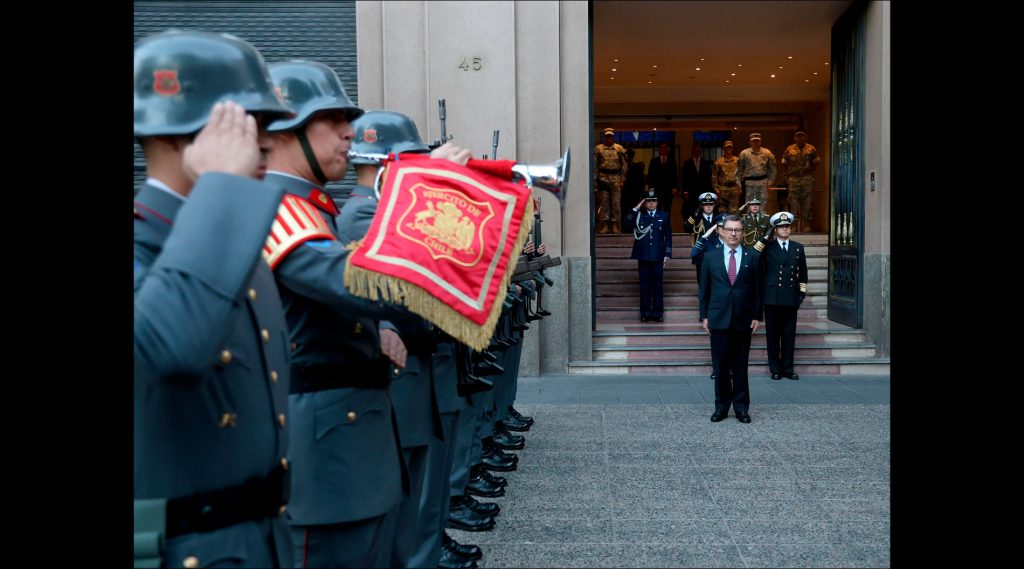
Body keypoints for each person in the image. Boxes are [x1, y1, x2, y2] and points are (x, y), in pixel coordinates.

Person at [263, 60, 471, 568]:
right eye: (331, 120)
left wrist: (377, 324)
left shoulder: (311, 207)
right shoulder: (279, 208)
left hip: (351, 446)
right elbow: (369, 284)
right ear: (283, 130)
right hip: (326, 460)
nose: (348, 134)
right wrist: (429, 192)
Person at [134, 30, 296, 568]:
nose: (264, 143)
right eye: (243, 123)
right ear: (172, 134)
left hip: (261, 542)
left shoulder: (233, 235)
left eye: (266, 125)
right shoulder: (175, 233)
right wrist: (222, 187)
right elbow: (174, 346)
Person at [343, 109, 480, 569]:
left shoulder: (385, 211)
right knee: (411, 492)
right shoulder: (364, 214)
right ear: (389, 162)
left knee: (427, 483)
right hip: (404, 366)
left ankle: (429, 552)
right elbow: (411, 284)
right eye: (411, 160)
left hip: (423, 360)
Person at [699, 215, 763, 424]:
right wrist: (704, 315)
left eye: (737, 230)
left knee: (740, 366)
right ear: (721, 231)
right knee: (720, 367)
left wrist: (757, 316)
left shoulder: (753, 257)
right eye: (729, 229)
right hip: (718, 318)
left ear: (743, 233)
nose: (733, 233)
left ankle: (741, 408)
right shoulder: (710, 257)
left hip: (743, 319)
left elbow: (758, 289)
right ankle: (721, 407)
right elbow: (704, 289)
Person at [755, 212, 808, 381]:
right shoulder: (768, 247)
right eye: (781, 227)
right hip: (772, 297)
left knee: (789, 335)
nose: (785, 229)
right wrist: (766, 237)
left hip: (790, 298)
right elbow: (753, 254)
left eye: (787, 226)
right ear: (775, 229)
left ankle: (788, 369)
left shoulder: (798, 248)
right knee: (772, 335)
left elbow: (803, 275)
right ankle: (775, 369)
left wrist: (801, 295)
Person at [624, 190, 672, 322]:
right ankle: (645, 313)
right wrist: (636, 208)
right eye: (649, 201)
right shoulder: (639, 215)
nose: (651, 203)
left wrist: (667, 254)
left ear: (657, 202)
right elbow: (626, 224)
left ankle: (658, 313)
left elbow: (668, 236)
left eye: (654, 200)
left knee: (657, 286)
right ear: (644, 202)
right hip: (643, 255)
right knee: (644, 286)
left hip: (658, 256)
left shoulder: (664, 215)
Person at [781, 131, 820, 233]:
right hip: (794, 179)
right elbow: (784, 163)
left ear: (805, 137)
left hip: (807, 179)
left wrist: (810, 171)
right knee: (793, 202)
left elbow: (816, 162)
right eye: (798, 136)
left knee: (808, 202)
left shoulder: (811, 149)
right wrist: (787, 175)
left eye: (802, 136)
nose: (800, 138)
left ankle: (807, 224)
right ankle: (794, 224)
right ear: (795, 137)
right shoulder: (789, 149)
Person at [594, 127, 627, 234]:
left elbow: (624, 165)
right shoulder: (599, 149)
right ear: (604, 136)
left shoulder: (619, 148)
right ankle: (605, 225)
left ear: (613, 137)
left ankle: (615, 225)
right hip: (603, 178)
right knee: (604, 203)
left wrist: (623, 179)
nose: (609, 138)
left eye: (610, 136)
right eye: (607, 136)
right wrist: (594, 180)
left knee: (616, 203)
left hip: (616, 178)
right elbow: (595, 165)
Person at [736, 132, 777, 205]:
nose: (755, 142)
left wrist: (771, 181)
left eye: (757, 140)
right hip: (750, 183)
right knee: (750, 204)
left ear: (761, 141)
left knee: (762, 204)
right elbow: (739, 170)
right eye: (753, 141)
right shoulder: (744, 153)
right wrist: (738, 183)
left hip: (763, 183)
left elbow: (772, 168)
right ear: (750, 142)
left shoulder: (767, 153)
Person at [680, 142, 713, 219]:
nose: (696, 152)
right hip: (691, 192)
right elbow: (684, 179)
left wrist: (709, 192)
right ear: (692, 152)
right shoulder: (687, 164)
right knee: (690, 211)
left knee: (702, 210)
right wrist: (685, 191)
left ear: (700, 152)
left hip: (703, 191)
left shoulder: (706, 163)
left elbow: (709, 178)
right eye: (694, 151)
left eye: (698, 151)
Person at [647, 141, 678, 215]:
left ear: (667, 149)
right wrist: (651, 187)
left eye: (665, 148)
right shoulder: (654, 161)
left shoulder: (672, 161)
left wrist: (675, 187)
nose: (664, 149)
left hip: (668, 190)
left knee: (667, 210)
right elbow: (650, 175)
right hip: (657, 190)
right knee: (658, 210)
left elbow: (674, 174)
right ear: (659, 149)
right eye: (662, 148)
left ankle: (666, 222)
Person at [621, 148, 646, 232]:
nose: (628, 157)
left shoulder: (637, 167)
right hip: (624, 194)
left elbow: (641, 182)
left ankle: (634, 229)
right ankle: (625, 229)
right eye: (626, 155)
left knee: (634, 212)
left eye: (630, 155)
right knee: (624, 213)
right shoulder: (621, 167)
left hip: (634, 195)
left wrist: (641, 195)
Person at [713, 140, 741, 213]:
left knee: (734, 211)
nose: (729, 149)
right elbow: (714, 176)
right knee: (722, 210)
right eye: (727, 147)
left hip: (734, 190)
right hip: (723, 190)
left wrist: (740, 187)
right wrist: (716, 188)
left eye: (730, 147)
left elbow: (740, 174)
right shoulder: (719, 162)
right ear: (723, 148)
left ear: (732, 148)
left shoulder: (737, 161)